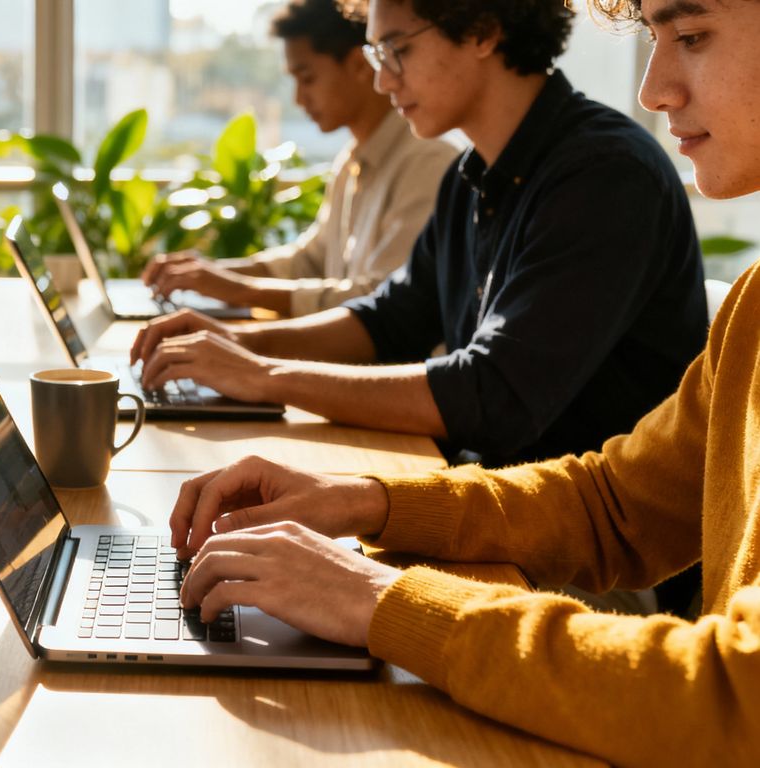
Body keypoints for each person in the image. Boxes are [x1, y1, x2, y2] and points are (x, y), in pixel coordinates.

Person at [172, 0, 760, 761]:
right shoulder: (751, 305)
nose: (652, 90)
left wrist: (381, 601)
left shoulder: (605, 172)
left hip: (643, 630)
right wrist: (369, 501)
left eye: (691, 36)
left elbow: (735, 704)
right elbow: (613, 506)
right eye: (654, 38)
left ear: (483, 31)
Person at [133, 0, 707, 469]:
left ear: (482, 28)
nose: (381, 80)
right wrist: (232, 346)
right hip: (488, 502)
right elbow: (390, 320)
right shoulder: (471, 178)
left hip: (589, 561)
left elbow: (493, 396)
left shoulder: (604, 175)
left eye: (397, 50)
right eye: (376, 54)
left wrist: (263, 376)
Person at [140, 0, 455, 318]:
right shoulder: (351, 162)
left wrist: (238, 289)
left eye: (307, 78)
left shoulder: (427, 164)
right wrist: (210, 274)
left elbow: (384, 303)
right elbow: (309, 260)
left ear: (359, 65)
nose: (298, 98)